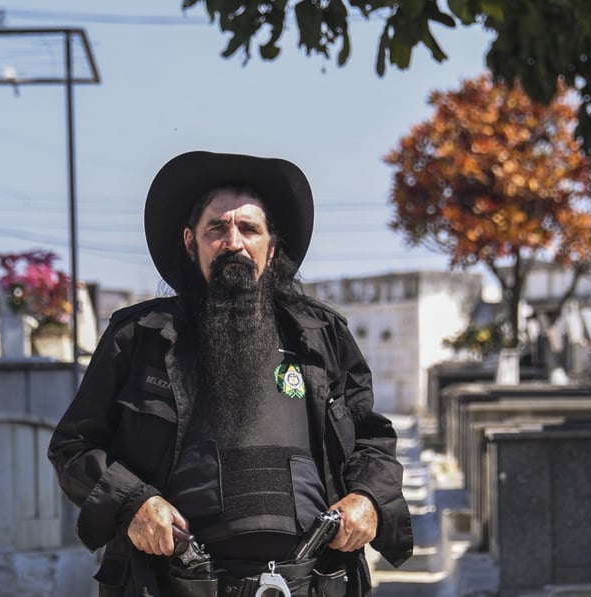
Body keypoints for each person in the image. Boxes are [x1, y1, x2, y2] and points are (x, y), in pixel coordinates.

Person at [49, 151, 414, 597]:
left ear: (271, 247)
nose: (233, 242)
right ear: (191, 241)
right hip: (173, 585)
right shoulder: (138, 338)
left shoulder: (322, 338)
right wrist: (134, 503)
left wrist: (367, 499)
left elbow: (373, 442)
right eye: (217, 228)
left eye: (249, 229)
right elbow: (74, 446)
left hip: (310, 583)